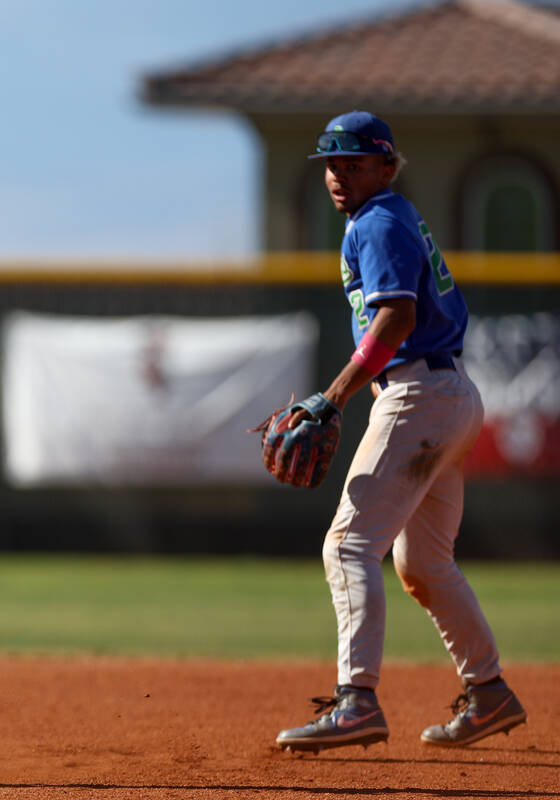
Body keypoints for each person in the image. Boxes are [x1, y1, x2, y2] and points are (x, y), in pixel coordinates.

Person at [275, 112, 527, 753]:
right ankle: (490, 692)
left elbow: (396, 317)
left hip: (420, 393)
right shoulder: (386, 217)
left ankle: (357, 701)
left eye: (354, 163)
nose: (338, 176)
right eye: (331, 164)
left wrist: (331, 400)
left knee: (348, 545)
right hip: (446, 394)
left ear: (387, 167)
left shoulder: (380, 219)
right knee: (424, 562)